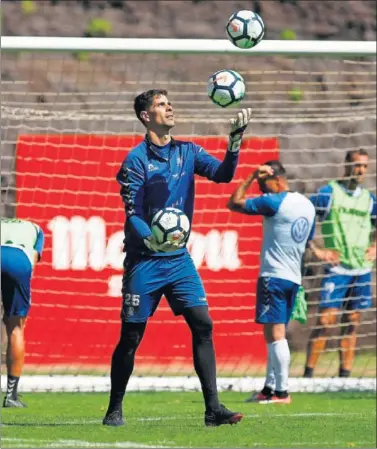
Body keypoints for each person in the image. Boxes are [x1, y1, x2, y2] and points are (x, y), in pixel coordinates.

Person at [102, 89, 252, 427]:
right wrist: (152, 237)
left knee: (203, 323)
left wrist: (234, 144)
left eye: (169, 103)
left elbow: (224, 175)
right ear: (145, 115)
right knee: (131, 338)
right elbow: (133, 213)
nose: (169, 108)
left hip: (179, 260)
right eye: (160, 104)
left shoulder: (188, 151)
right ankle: (114, 408)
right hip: (145, 260)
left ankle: (213, 410)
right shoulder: (135, 160)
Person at [227, 161, 316, 403]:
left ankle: (282, 392)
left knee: (276, 335)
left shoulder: (275, 202)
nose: (261, 190)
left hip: (274, 276)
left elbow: (233, 202)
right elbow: (308, 242)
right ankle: (269, 388)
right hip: (293, 278)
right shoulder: (307, 206)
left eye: (262, 184)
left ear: (275, 179)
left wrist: (249, 176)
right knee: (272, 335)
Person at [303, 149, 376, 378]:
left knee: (352, 322)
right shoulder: (329, 193)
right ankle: (308, 376)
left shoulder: (369, 199)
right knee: (326, 320)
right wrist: (316, 249)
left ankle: (345, 376)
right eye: (356, 165)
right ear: (346, 165)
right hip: (337, 268)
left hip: (362, 268)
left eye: (364, 166)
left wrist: (375, 247)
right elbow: (303, 215)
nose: (360, 170)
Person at [1, 218, 44, 408]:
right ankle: (11, 396)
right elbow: (33, 260)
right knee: (16, 328)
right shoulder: (36, 229)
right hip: (19, 260)